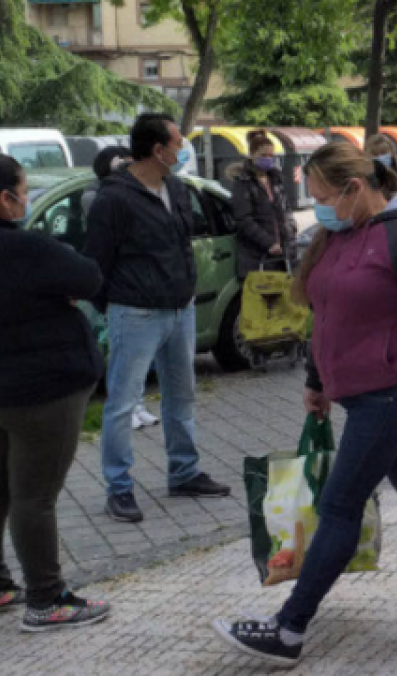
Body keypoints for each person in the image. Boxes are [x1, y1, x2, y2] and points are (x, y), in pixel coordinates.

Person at [212, 142, 397, 667]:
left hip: (395, 391)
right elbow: (326, 313)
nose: (318, 208)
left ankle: (289, 629)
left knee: (340, 505)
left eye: (323, 198)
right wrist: (316, 379)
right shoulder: (341, 234)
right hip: (361, 391)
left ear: (356, 188)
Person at [84, 113, 231, 524]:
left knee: (181, 396)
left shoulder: (177, 188)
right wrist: (113, 306)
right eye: (178, 143)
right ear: (158, 150)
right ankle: (119, 488)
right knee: (122, 404)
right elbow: (96, 262)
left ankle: (184, 472)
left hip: (181, 309)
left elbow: (183, 244)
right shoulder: (114, 199)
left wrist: (186, 289)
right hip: (135, 313)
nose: (183, 150)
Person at [0, 155, 113, 632]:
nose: (25, 200)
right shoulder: (26, 248)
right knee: (34, 497)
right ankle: (47, 599)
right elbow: (89, 277)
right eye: (23, 191)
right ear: (5, 199)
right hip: (43, 391)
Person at [83, 147, 159, 433]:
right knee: (122, 354)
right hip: (116, 287)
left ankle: (137, 404)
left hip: (139, 286)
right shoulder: (97, 197)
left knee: (139, 354)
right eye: (126, 165)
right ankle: (124, 409)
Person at [231, 130, 297, 281]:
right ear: (252, 154)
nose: (268, 159)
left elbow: (286, 209)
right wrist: (268, 243)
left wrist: (291, 229)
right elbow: (244, 219)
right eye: (263, 155)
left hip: (283, 255)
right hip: (257, 257)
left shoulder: (276, 179)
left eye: (270, 156)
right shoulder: (243, 182)